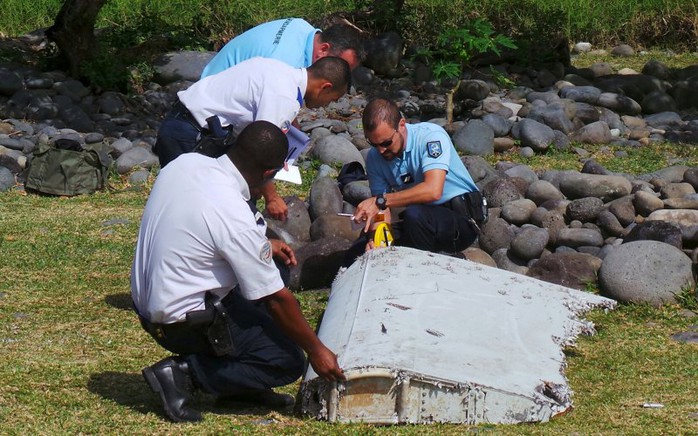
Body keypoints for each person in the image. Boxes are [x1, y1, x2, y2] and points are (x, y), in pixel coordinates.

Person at [132, 121, 345, 423]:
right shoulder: (231, 211)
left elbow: (202, 228)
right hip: (182, 322)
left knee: (275, 271)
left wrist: (265, 245)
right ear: (268, 173)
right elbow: (276, 300)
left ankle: (240, 385)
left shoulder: (186, 163)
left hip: (149, 303)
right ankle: (184, 374)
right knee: (285, 360)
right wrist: (316, 349)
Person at [154, 56, 352, 220]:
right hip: (192, 135)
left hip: (182, 122)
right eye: (332, 99)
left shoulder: (278, 68)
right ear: (325, 86)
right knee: (192, 209)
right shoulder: (284, 97)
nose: (326, 106)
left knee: (185, 203)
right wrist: (271, 197)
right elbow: (261, 150)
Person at [346, 98, 483, 261]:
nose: (381, 150)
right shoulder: (375, 158)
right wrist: (375, 239)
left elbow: (433, 191)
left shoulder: (431, 137)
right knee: (360, 249)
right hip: (421, 220)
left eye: (386, 143)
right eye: (373, 144)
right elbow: (382, 211)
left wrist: (380, 201)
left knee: (414, 215)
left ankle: (424, 269)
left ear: (401, 125)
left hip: (460, 220)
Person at [201, 18, 364, 78]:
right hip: (209, 110)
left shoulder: (302, 26)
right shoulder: (286, 64)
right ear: (323, 49)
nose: (342, 77)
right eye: (342, 68)